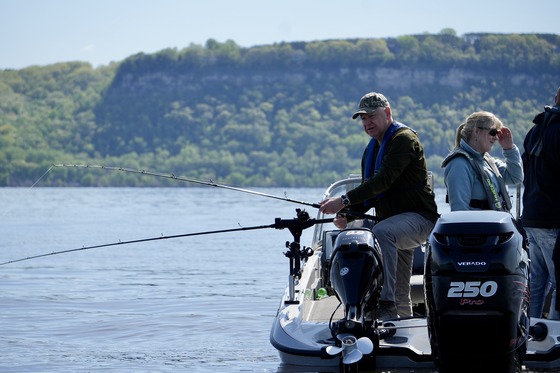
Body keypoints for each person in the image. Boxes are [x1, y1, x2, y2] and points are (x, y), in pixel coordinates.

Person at [319, 92, 439, 319]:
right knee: (402, 288)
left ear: (387, 113)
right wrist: (348, 214)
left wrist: (342, 200)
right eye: (363, 119)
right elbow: (371, 193)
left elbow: (383, 180)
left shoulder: (404, 139)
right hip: (395, 225)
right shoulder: (371, 149)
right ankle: (401, 325)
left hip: (419, 219)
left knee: (381, 233)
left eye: (372, 116)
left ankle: (385, 301)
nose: (367, 123)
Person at [522, 86, 560, 320]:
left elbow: (527, 168)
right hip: (553, 218)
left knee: (536, 282)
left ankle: (530, 336)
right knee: (559, 283)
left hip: (532, 216)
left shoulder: (535, 129)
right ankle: (556, 340)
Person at [441, 111, 523, 212]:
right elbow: (460, 211)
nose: (496, 138)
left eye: (497, 133)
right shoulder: (459, 164)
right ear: (476, 132)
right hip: (479, 226)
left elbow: (515, 177)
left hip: (495, 224)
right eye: (492, 132)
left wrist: (509, 149)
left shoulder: (488, 162)